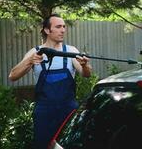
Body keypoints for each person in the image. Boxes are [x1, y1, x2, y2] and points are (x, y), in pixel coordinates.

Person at [9, 13, 92, 149]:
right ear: (47, 30)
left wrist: (85, 65)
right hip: (44, 112)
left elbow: (86, 74)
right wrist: (29, 61)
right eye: (58, 27)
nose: (63, 30)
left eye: (64, 27)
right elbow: (12, 76)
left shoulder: (71, 51)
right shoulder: (35, 52)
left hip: (69, 110)